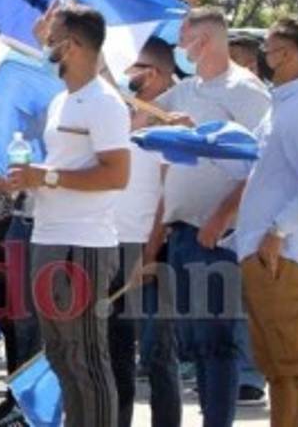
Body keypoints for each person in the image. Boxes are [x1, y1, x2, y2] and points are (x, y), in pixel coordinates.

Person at [3, 4, 131, 427]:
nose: (44, 42)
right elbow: (62, 168)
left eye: (51, 37)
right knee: (60, 354)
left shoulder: (105, 102)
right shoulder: (62, 99)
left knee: (86, 358)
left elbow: (117, 174)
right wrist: (28, 180)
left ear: (72, 45)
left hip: (84, 243)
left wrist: (48, 177)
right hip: (49, 236)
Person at [151, 6, 271, 426]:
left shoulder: (246, 90)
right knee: (198, 344)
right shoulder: (187, 90)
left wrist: (222, 214)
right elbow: (136, 113)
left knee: (217, 342)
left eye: (184, 38)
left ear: (203, 40)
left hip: (220, 236)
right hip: (184, 232)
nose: (180, 47)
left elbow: (264, 163)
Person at [237, 18, 298, 427]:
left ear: (292, 55)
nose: (264, 56)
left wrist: (278, 231)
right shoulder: (281, 104)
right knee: (280, 370)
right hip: (268, 252)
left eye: (270, 48)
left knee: (297, 368)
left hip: (286, 255)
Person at [115, 37, 182, 427]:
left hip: (150, 249)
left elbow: (168, 194)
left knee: (158, 354)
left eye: (133, 68)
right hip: (113, 244)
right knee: (117, 352)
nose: (126, 74)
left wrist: (151, 252)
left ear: (152, 73)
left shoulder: (169, 123)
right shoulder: (122, 117)